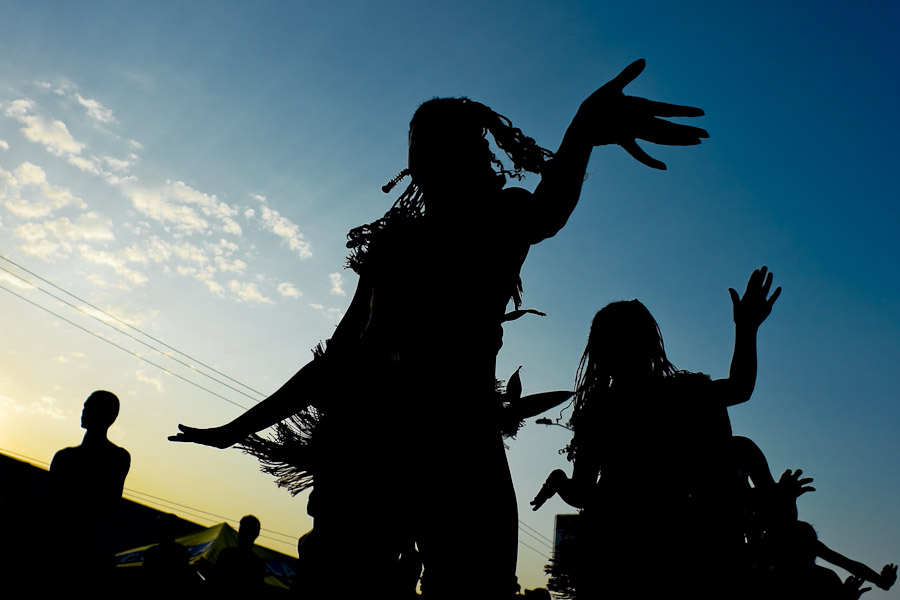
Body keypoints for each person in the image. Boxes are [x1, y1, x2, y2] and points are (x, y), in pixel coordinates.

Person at [170, 59, 708, 598]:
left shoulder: (498, 220)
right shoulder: (396, 245)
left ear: (466, 156)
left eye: (428, 146)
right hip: (383, 442)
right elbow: (335, 362)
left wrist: (585, 128)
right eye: (415, 148)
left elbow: (552, 206)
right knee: (352, 583)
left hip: (454, 441)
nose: (418, 159)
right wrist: (236, 428)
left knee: (466, 586)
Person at [531, 268, 780, 598]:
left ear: (599, 352)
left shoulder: (600, 411)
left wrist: (560, 481)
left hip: (618, 554)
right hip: (688, 549)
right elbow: (740, 387)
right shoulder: (685, 392)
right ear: (650, 342)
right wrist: (746, 328)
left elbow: (584, 493)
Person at [49, 390, 131, 592]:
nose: (83, 412)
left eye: (89, 408)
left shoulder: (116, 457)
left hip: (85, 547)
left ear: (107, 415)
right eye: (84, 407)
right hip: (68, 545)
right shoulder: (65, 456)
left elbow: (108, 506)